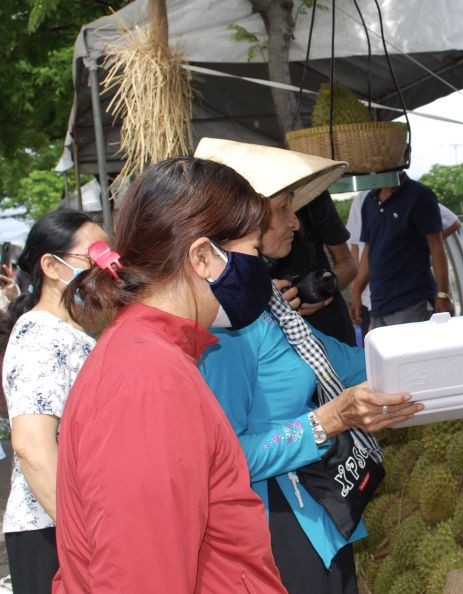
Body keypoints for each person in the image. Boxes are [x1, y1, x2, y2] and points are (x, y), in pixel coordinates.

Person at [196, 138, 422, 593]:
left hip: (318, 510)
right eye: (284, 208)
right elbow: (226, 458)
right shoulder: (227, 328)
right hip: (276, 528)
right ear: (251, 218)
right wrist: (325, 422)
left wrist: (449, 352)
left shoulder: (269, 309)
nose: (296, 222)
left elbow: (351, 363)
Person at [53, 158, 287, 592]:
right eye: (253, 251)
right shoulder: (148, 379)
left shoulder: (154, 358)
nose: (261, 270)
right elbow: (141, 578)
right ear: (202, 256)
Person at [0, 209, 107, 594]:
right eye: (94, 257)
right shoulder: (39, 334)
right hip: (52, 529)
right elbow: (31, 446)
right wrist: (83, 534)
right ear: (51, 265)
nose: (106, 267)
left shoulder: (74, 329)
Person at [348, 156, 453, 329]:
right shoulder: (368, 201)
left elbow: (437, 247)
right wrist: (356, 292)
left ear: (404, 155)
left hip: (412, 299)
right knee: (379, 355)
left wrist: (442, 294)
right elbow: (368, 250)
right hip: (378, 303)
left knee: (411, 355)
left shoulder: (420, 195)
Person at [270, 191, 357, 345]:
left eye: (292, 206)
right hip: (277, 341)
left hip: (332, 332)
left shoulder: (315, 198)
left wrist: (326, 287)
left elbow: (348, 263)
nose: (295, 224)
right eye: (283, 208)